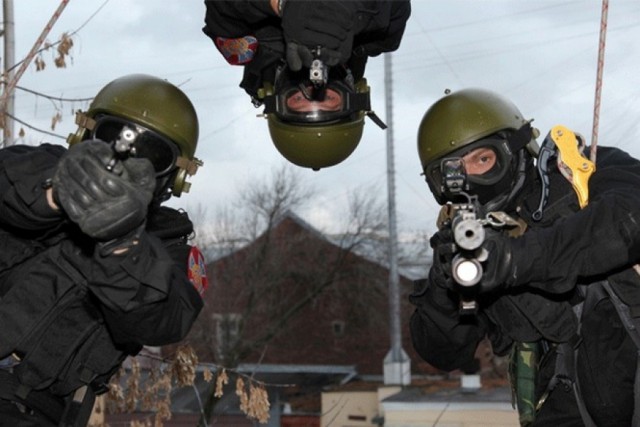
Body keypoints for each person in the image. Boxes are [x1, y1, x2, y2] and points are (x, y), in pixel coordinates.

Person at [409, 87, 640, 427]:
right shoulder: (463, 244)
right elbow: (443, 353)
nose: (469, 180)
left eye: (482, 160)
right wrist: (446, 287)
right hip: (561, 405)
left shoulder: (581, 172)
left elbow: (628, 220)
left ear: (515, 149)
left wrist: (514, 260)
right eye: (453, 172)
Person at [0, 74, 207, 426]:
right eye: (113, 135)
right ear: (86, 134)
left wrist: (122, 244)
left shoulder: (168, 250)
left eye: (153, 155)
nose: (128, 156)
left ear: (174, 176)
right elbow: (11, 182)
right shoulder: (39, 168)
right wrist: (59, 193)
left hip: (32, 410)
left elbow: (164, 321)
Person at [202, 0, 411, 170]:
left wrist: (283, 4)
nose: (313, 88)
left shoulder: (240, 43)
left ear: (275, 96)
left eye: (299, 99)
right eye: (328, 99)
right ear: (354, 93)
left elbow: (221, 8)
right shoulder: (380, 33)